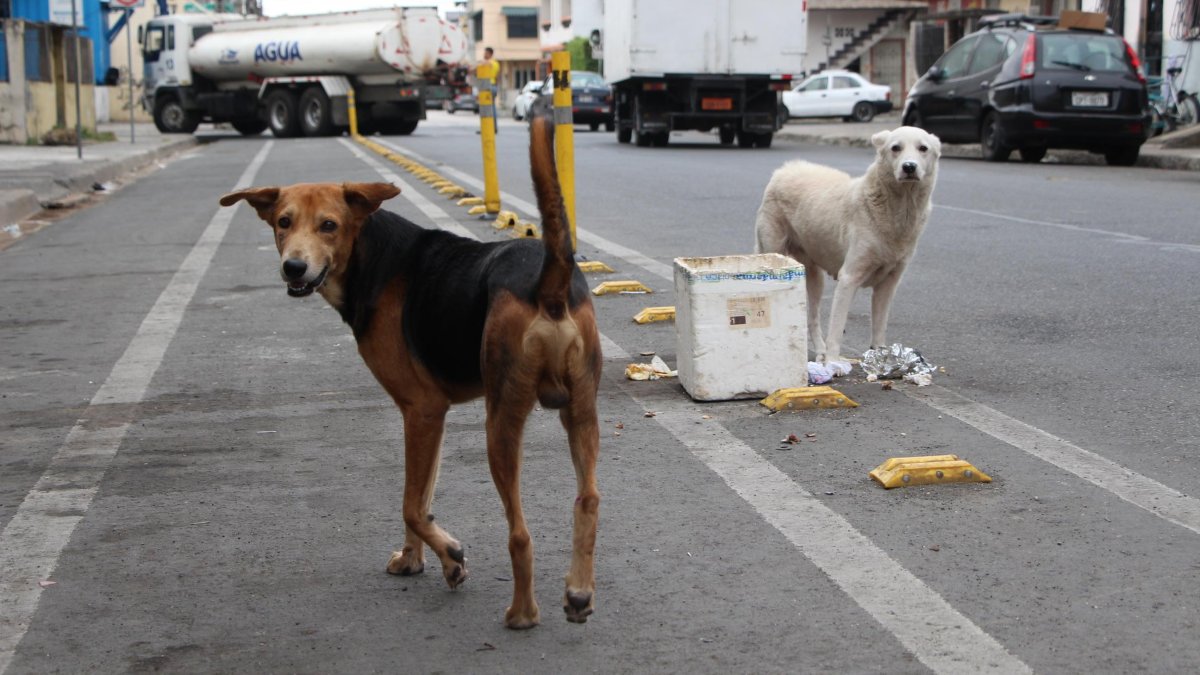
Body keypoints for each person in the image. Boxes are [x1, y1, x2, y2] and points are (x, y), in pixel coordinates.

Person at [477, 47, 500, 133]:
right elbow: (497, 77)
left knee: (485, 109)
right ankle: (493, 127)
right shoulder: (496, 64)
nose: (484, 55)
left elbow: (482, 64)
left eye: (485, 53)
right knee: (492, 108)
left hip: (487, 87)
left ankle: (487, 128)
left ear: (490, 54)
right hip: (493, 86)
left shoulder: (489, 63)